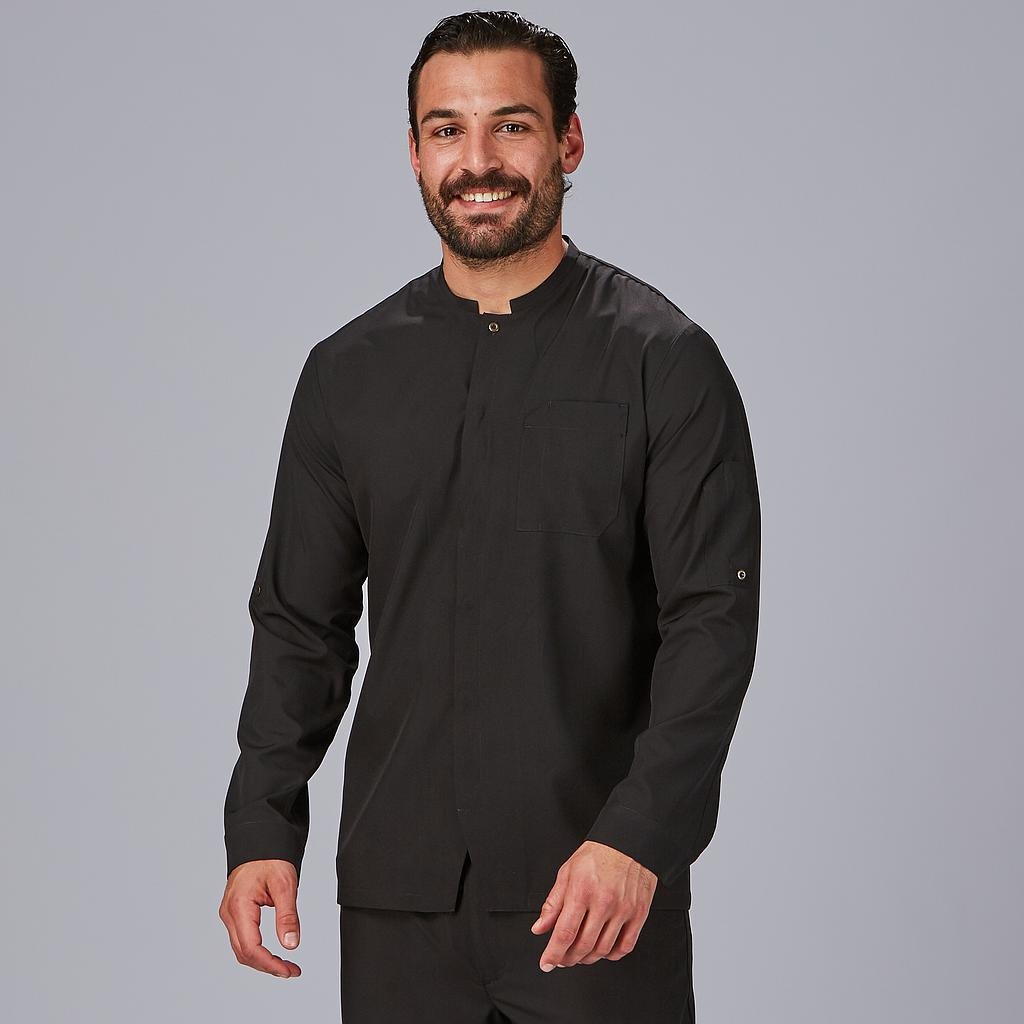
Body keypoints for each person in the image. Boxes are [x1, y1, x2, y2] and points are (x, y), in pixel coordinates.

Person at [218, 10, 761, 1022]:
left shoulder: (664, 361)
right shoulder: (346, 375)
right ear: (414, 153)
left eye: (511, 125)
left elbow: (711, 621)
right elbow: (299, 623)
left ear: (569, 141)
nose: (477, 162)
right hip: (399, 897)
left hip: (592, 892)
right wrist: (261, 826)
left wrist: (638, 837)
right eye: (446, 130)